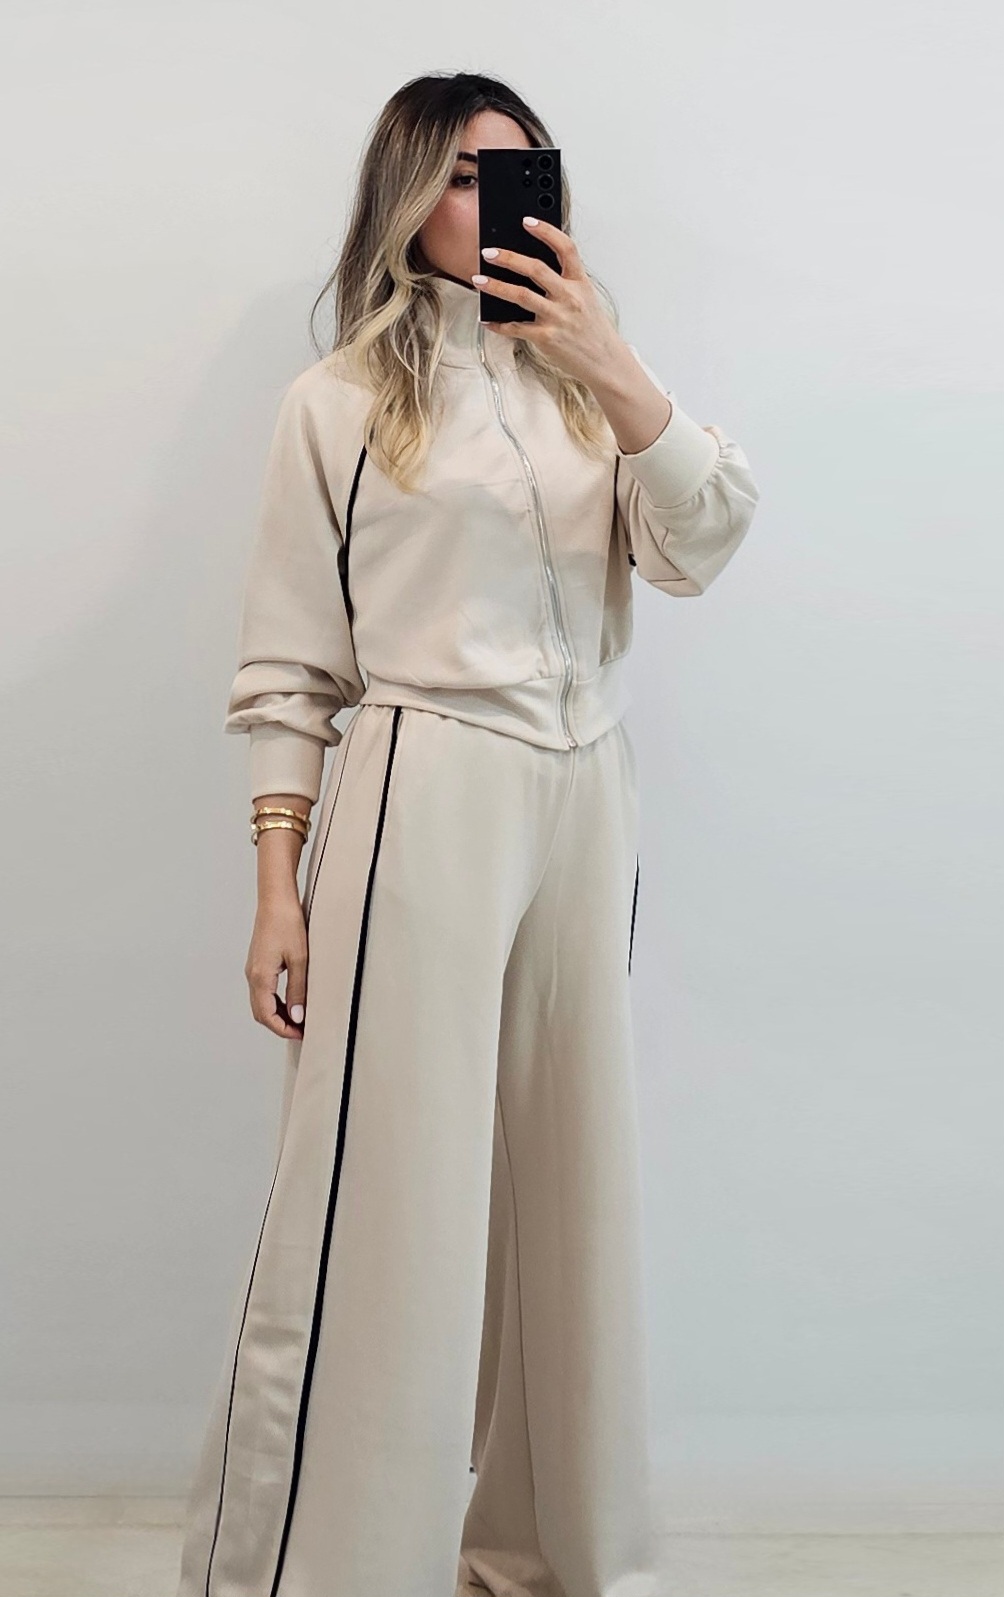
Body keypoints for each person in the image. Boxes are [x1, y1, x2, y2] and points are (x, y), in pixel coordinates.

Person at [175, 69, 759, 1597]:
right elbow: (289, 664)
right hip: (421, 782)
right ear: (406, 194)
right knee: (391, 1191)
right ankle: (321, 1565)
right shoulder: (337, 404)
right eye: (461, 174)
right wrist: (277, 886)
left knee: (575, 1184)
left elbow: (703, 541)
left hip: (586, 794)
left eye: (521, 171)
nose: (494, 200)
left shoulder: (588, 385)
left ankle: (551, 1552)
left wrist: (612, 362)